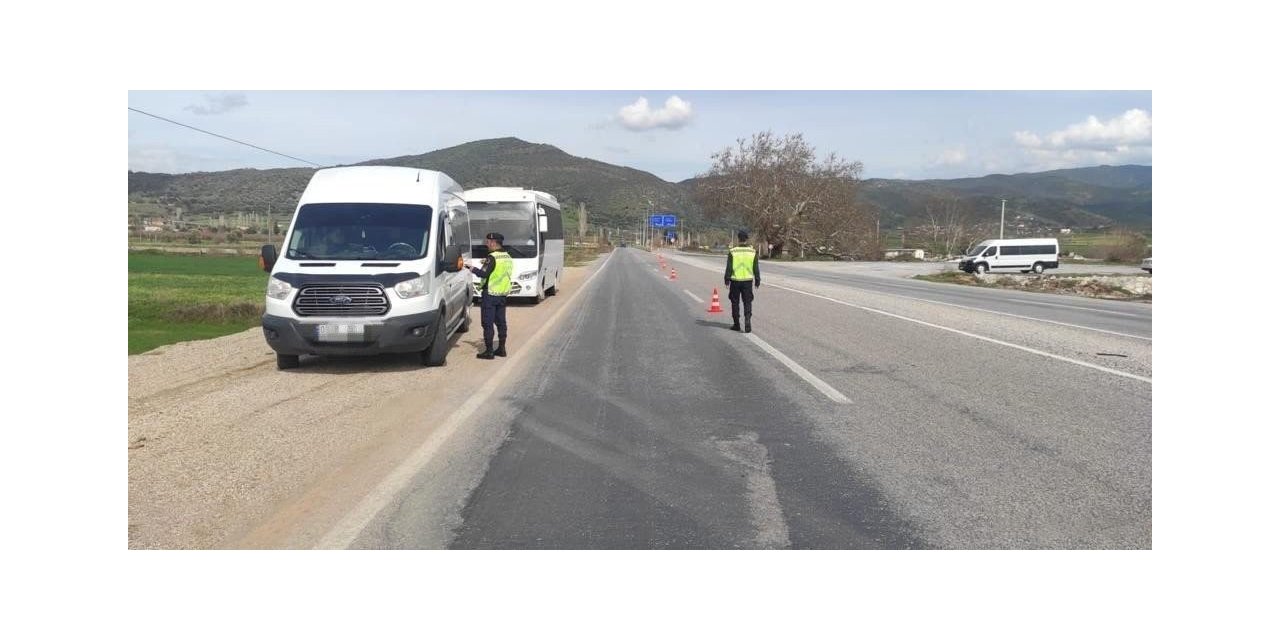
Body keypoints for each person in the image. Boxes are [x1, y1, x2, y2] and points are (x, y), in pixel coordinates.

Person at [466, 232, 513, 359]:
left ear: (493, 242)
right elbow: (498, 271)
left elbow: (483, 274)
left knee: (487, 323)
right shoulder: (507, 256)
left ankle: (489, 351)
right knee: (501, 322)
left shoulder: (491, 258)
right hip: (502, 294)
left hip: (490, 294)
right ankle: (502, 349)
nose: (486, 244)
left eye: (487, 242)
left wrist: (472, 268)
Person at [724, 229, 761, 332]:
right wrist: (757, 280)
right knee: (747, 302)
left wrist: (727, 280)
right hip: (748, 281)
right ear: (746, 239)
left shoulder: (733, 251)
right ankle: (747, 322)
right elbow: (756, 267)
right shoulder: (752, 252)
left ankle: (736, 324)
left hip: (735, 281)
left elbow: (729, 267)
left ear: (738, 239)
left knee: (735, 302)